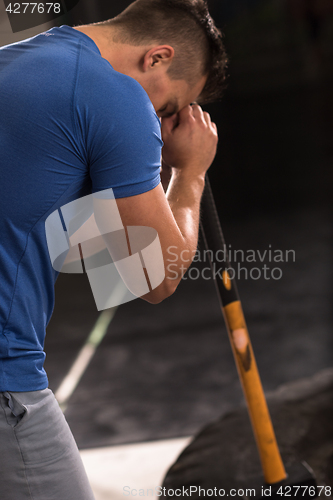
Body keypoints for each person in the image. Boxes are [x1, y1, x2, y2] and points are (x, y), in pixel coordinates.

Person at [0, 0, 227, 498]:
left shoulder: (15, 60)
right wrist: (188, 173)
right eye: (168, 108)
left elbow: (95, 257)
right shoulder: (115, 96)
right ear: (157, 58)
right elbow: (154, 278)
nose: (162, 122)